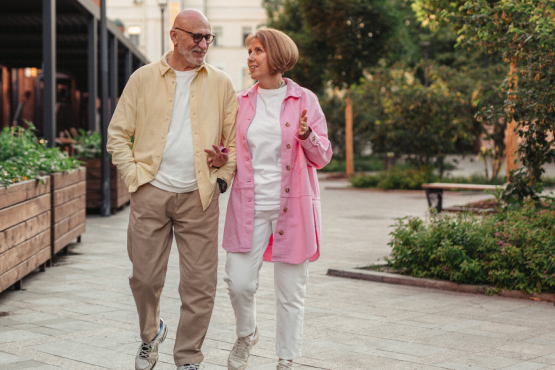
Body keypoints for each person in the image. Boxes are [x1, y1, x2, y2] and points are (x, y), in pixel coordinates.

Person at [107, 9, 237, 370]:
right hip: (151, 191)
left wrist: (221, 176)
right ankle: (151, 335)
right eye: (196, 36)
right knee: (144, 278)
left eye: (207, 37)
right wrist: (135, 177)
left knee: (199, 286)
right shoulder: (143, 79)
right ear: (175, 36)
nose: (202, 44)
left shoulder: (222, 83)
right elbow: (117, 135)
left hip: (200, 195)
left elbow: (235, 141)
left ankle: (188, 359)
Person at [222, 28, 332, 370]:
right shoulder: (239, 103)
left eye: (258, 51)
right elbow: (229, 152)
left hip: (293, 208)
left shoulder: (305, 100)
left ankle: (286, 359)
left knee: (291, 292)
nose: (251, 57)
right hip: (248, 207)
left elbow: (323, 156)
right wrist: (219, 158)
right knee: (238, 283)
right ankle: (246, 333)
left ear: (277, 57)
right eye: (249, 51)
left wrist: (307, 136)